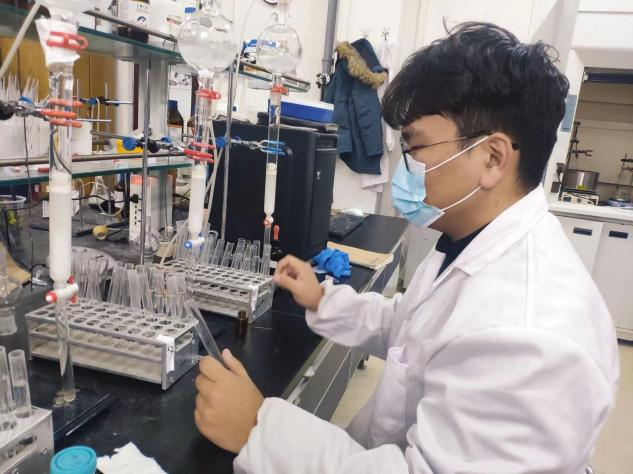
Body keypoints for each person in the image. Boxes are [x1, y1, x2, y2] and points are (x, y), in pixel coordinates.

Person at [193, 22, 619, 473]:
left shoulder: (529, 339)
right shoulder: (471, 242)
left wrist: (259, 429)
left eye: (416, 147)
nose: (406, 166)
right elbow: (415, 327)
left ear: (493, 158)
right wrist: (323, 299)